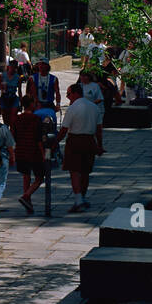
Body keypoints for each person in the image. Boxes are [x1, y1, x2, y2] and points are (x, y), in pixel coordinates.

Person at [59, 83, 100, 211]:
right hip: (90, 140)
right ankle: (82, 197)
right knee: (86, 171)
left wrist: (55, 142)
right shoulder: (94, 107)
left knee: (75, 171)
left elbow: (64, 129)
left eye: (69, 93)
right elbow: (99, 129)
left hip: (75, 140)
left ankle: (78, 199)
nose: (67, 96)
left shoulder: (72, 108)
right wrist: (100, 145)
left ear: (76, 93)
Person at [12, 95, 49, 214]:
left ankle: (29, 203)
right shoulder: (36, 119)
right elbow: (38, 138)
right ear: (31, 104)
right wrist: (43, 154)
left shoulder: (16, 119)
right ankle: (26, 196)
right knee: (39, 177)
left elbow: (14, 135)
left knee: (26, 176)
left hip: (21, 150)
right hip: (34, 151)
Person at [80, 70, 106, 154]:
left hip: (97, 110)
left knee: (97, 130)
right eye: (81, 76)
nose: (83, 78)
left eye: (85, 76)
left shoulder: (95, 86)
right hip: (84, 111)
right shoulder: (79, 86)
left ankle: (100, 146)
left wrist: (89, 104)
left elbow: (100, 98)